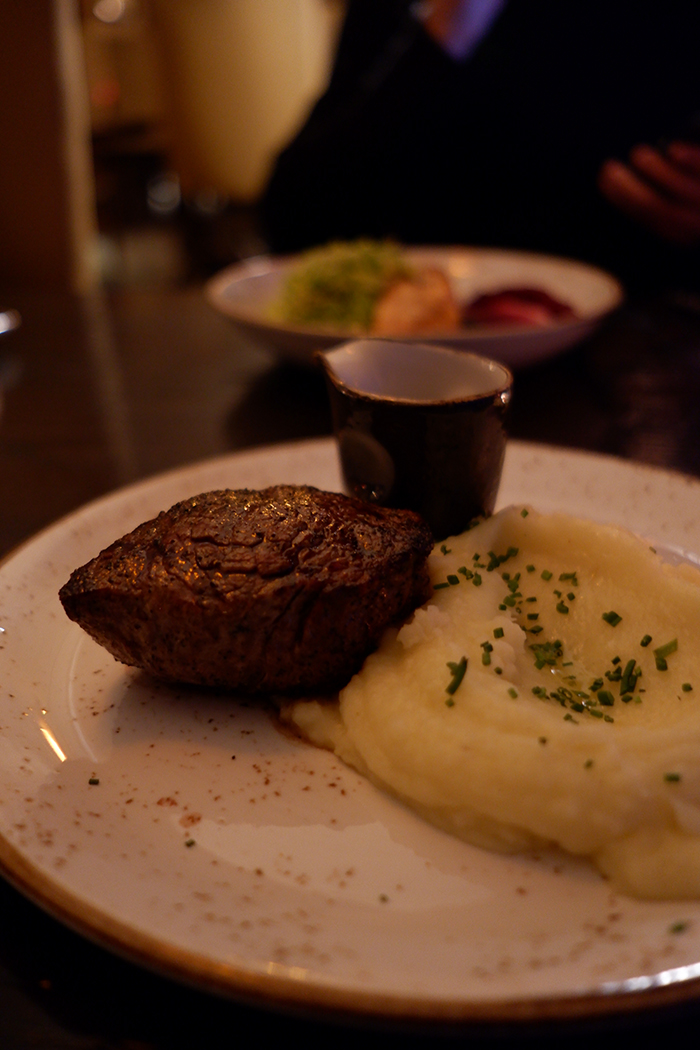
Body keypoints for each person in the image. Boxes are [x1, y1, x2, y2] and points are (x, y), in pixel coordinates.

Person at [260, 0, 700, 292]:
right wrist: (446, 35)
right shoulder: (410, 11)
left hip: (638, 350)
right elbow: (295, 220)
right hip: (428, 357)